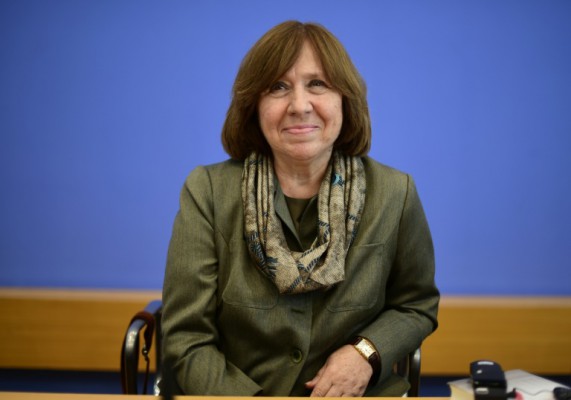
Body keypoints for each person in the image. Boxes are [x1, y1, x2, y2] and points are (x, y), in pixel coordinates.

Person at [161, 20, 439, 397]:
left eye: (317, 84)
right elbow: (187, 338)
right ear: (254, 106)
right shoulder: (208, 191)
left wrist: (365, 352)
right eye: (278, 87)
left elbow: (416, 305)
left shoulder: (394, 192)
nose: (299, 105)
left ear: (345, 98)